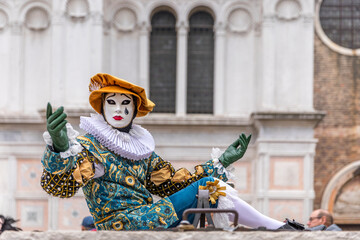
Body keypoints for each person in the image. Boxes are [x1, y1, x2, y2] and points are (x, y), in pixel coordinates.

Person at [40, 73, 302, 231]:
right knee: (210, 186)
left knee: (210, 188)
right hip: (123, 225)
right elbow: (60, 187)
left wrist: (221, 161)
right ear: (102, 109)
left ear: (134, 110)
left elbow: (174, 182)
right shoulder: (90, 147)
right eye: (111, 103)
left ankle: (277, 228)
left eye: (125, 103)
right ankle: (279, 229)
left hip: (147, 217)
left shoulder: (141, 151)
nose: (118, 109)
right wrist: (60, 148)